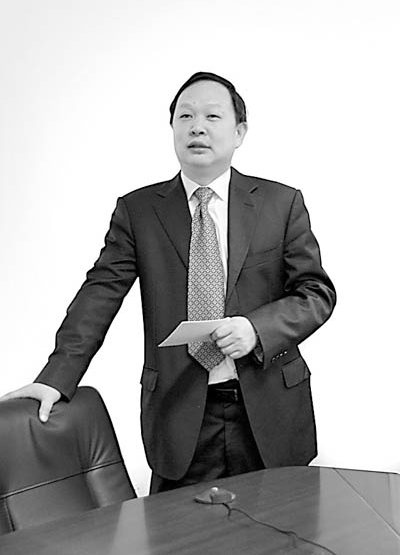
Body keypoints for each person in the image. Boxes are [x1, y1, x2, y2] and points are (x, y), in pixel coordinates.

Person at [0, 71, 336, 493]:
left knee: (280, 526)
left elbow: (315, 294)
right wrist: (56, 376)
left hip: (270, 409)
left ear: (239, 132)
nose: (197, 127)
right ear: (173, 128)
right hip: (180, 413)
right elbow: (100, 293)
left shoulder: (280, 203)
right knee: (178, 528)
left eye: (212, 116)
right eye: (186, 116)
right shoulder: (139, 211)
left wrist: (257, 329)